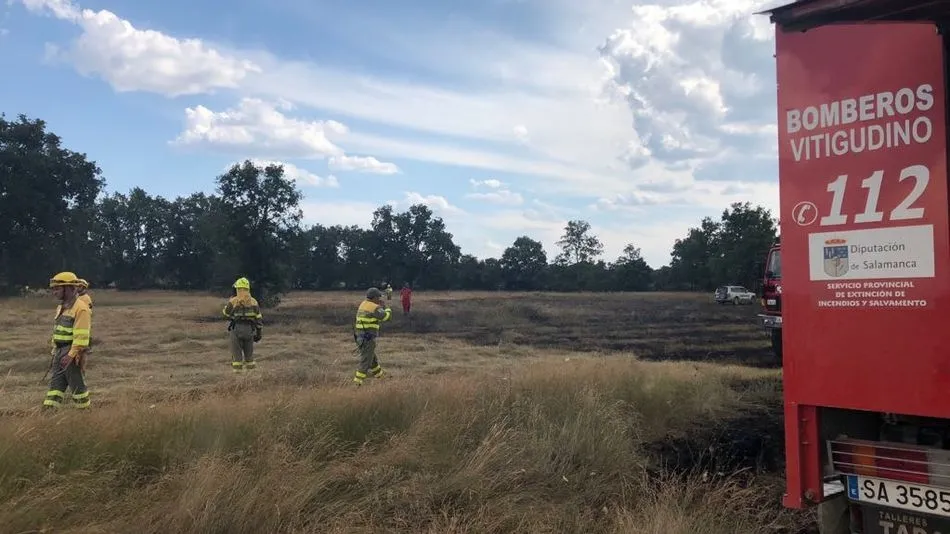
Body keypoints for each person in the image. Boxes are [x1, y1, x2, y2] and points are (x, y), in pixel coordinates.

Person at [43, 271, 92, 410]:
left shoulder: (81, 308)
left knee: (78, 388)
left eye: (57, 289)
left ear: (70, 288)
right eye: (53, 289)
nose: (54, 292)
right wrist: (55, 351)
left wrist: (71, 355)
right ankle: (48, 413)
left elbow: (81, 337)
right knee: (55, 386)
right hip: (59, 352)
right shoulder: (61, 307)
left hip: (71, 354)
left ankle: (86, 414)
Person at [222, 277, 263, 373]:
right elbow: (258, 318)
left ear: (237, 289)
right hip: (249, 330)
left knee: (237, 357)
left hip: (236, 329)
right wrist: (259, 333)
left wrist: (228, 305)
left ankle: (238, 378)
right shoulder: (254, 301)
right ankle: (251, 376)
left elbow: (226, 314)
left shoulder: (233, 301)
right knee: (249, 357)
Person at [352, 287, 392, 386]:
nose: (379, 299)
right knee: (365, 362)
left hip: (360, 337)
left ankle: (381, 378)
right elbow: (386, 317)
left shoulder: (363, 304)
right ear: (373, 297)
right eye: (378, 297)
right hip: (368, 339)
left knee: (373, 360)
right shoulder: (374, 307)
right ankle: (356, 384)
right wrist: (386, 308)